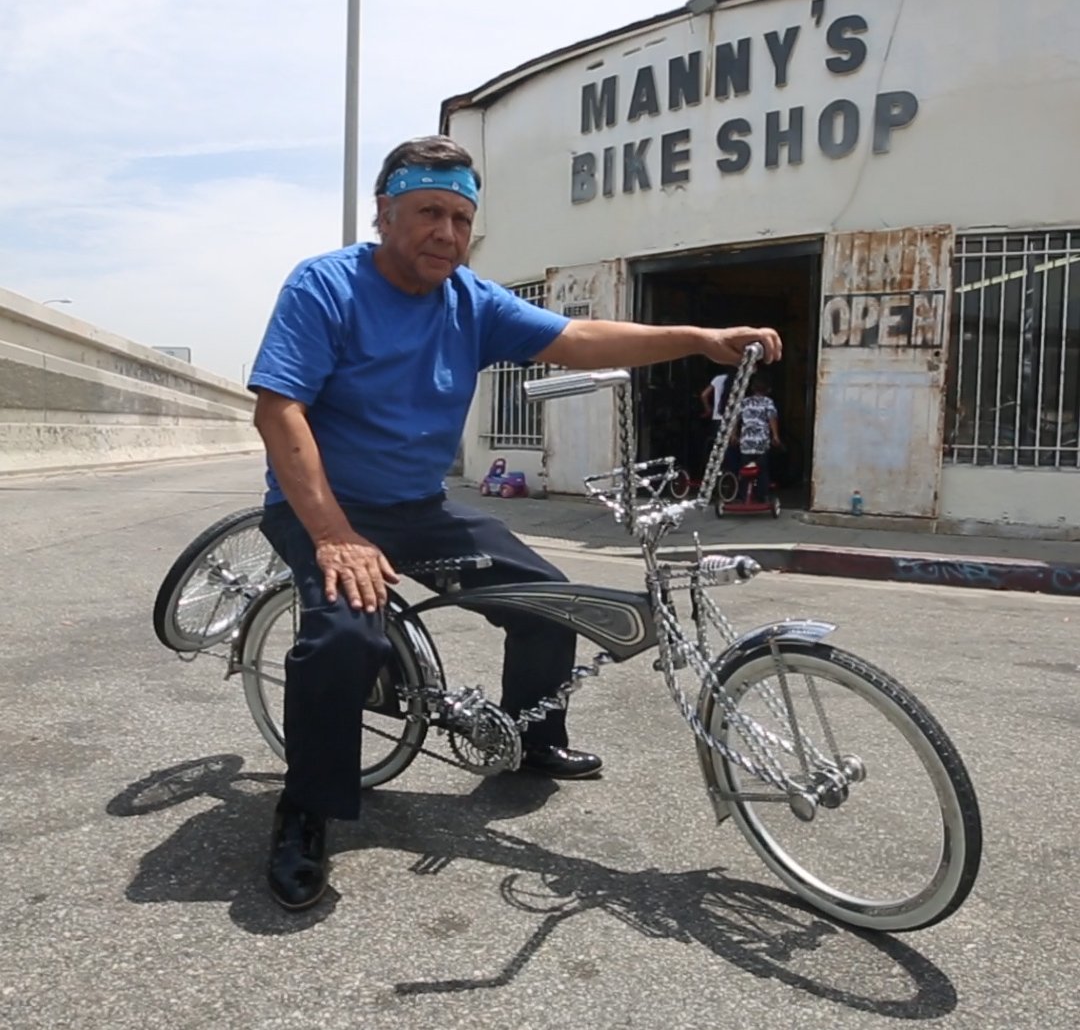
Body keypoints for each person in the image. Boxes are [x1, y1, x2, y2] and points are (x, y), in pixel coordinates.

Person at [247, 134, 782, 911]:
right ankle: (306, 809)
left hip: (416, 508)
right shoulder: (326, 287)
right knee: (346, 635)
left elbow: (578, 339)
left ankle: (534, 738)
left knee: (548, 597)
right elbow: (278, 410)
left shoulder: (471, 300)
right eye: (429, 212)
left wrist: (700, 340)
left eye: (461, 218)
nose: (447, 234)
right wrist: (334, 534)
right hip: (322, 507)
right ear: (384, 212)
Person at [736, 372, 783, 503]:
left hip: (746, 442)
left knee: (745, 470)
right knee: (762, 470)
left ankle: (744, 496)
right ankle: (762, 496)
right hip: (761, 442)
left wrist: (734, 435)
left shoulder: (744, 402)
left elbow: (736, 419)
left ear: (752, 388)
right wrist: (776, 436)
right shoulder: (768, 402)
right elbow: (772, 418)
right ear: (768, 389)